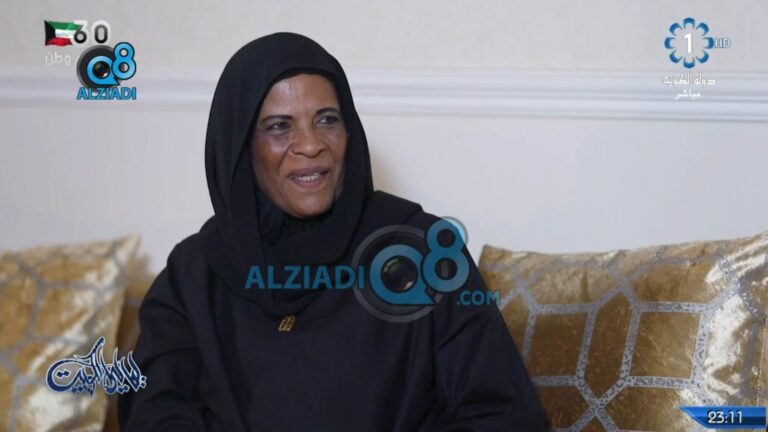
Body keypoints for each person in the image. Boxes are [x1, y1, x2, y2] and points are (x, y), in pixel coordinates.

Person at [118, 32, 547, 431]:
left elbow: (501, 415)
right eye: (279, 126)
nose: (310, 144)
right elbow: (154, 415)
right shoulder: (193, 276)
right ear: (240, 147)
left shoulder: (423, 255)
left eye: (326, 119)